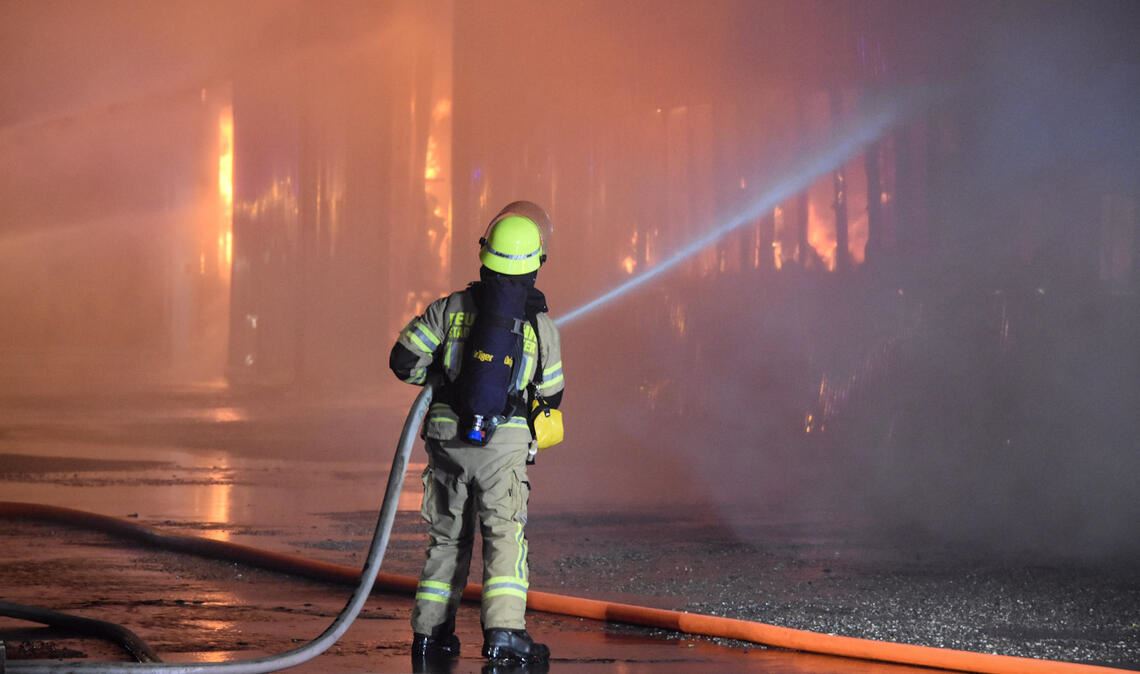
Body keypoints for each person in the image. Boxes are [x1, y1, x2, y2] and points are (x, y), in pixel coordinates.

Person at [390, 201, 564, 665]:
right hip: (502, 448)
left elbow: (403, 362)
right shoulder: (540, 327)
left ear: (484, 254)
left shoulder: (448, 309)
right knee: (504, 536)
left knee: (447, 538)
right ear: (536, 263)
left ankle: (430, 634)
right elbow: (552, 394)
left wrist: (444, 384)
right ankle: (504, 635)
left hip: (447, 440)